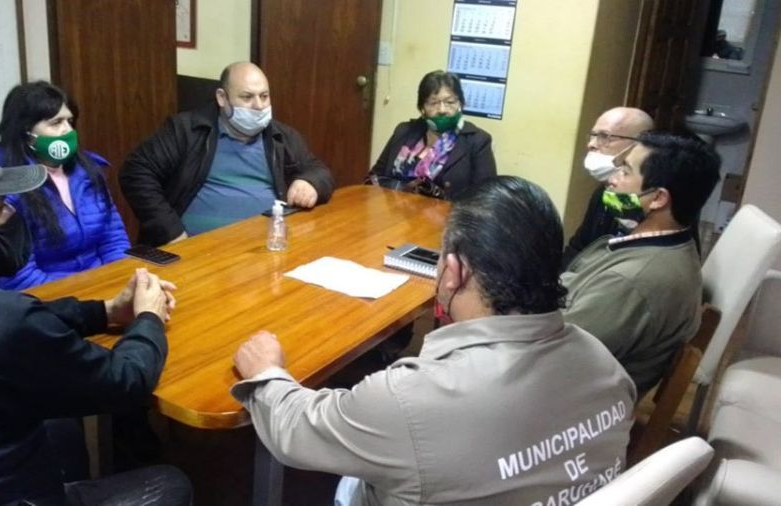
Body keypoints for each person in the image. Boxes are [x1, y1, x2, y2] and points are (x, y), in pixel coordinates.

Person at [232, 176, 635, 505]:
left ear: (454, 271)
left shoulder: (410, 398)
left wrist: (266, 374)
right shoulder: (606, 366)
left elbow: (298, 431)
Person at [0, 143, 191, 504]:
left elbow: (7, 319)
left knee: (60, 428)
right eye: (0, 207)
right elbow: (125, 381)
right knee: (171, 482)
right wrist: (149, 317)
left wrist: (103, 311)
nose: (12, 214)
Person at [561, 131, 721, 397]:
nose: (612, 180)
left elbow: (556, 356)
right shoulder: (664, 244)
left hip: (572, 402)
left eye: (625, 172)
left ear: (658, 198)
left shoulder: (633, 281)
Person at [120, 61, 335, 246]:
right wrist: (170, 231)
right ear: (222, 98)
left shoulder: (281, 136)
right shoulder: (186, 130)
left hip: (265, 249)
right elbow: (135, 172)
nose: (259, 106)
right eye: (247, 97)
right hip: (195, 252)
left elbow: (319, 170)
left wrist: (310, 182)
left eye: (264, 96)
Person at [0, 81, 132, 291]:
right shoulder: (6, 187)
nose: (68, 130)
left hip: (102, 286)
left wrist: (120, 280)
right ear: (26, 131)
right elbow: (18, 277)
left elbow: (113, 239)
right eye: (56, 123)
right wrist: (89, 297)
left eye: (70, 121)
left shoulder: (88, 170)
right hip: (51, 297)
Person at [368, 70, 496, 200]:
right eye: (433, 103)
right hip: (393, 209)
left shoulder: (477, 141)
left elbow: (487, 199)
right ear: (422, 108)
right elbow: (374, 178)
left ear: (460, 104)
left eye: (450, 102)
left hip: (448, 212)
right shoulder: (404, 131)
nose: (442, 110)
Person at [562, 107, 655, 269]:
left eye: (605, 137)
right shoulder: (604, 193)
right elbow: (579, 247)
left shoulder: (653, 202)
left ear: (638, 145)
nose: (591, 144)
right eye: (593, 135)